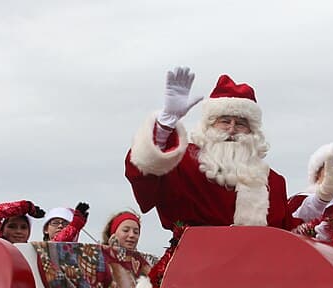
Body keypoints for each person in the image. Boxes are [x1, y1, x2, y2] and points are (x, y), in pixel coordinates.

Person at [125, 66, 293, 231]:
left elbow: (288, 236)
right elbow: (143, 172)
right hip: (193, 256)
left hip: (254, 258)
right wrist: (164, 126)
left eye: (241, 124)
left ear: (253, 132)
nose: (232, 129)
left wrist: (319, 203)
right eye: (225, 121)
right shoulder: (184, 162)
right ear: (209, 125)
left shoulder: (273, 182)